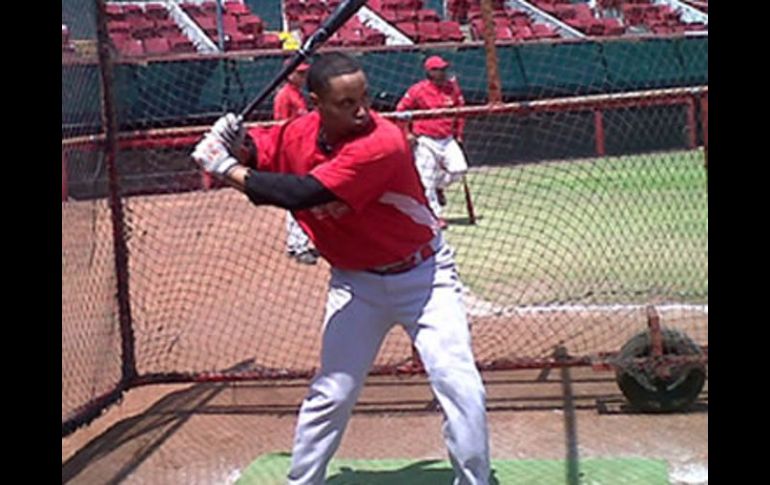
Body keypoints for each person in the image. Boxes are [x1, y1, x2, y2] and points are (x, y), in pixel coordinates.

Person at [191, 52, 490, 485]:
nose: (362, 110)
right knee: (332, 392)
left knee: (460, 386)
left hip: (424, 279)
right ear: (316, 103)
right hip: (356, 284)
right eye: (346, 103)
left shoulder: (381, 143)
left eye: (364, 98)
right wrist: (237, 144)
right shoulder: (299, 131)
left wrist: (225, 167)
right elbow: (264, 153)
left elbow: (302, 193)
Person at [396, 55, 469, 229]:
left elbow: (461, 111)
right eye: (439, 70)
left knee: (459, 169)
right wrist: (406, 132)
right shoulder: (417, 90)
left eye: (444, 69)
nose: (443, 72)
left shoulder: (452, 88)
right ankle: (435, 216)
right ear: (430, 72)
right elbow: (401, 111)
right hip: (425, 139)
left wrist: (459, 133)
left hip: (447, 138)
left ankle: (439, 185)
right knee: (425, 179)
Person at [274, 60, 319, 265]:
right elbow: (280, 127)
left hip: (301, 150)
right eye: (299, 73)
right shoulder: (285, 95)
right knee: (297, 198)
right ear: (289, 74)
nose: (302, 77)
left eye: (304, 73)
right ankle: (297, 246)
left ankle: (299, 243)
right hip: (290, 152)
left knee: (303, 197)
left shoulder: (297, 93)